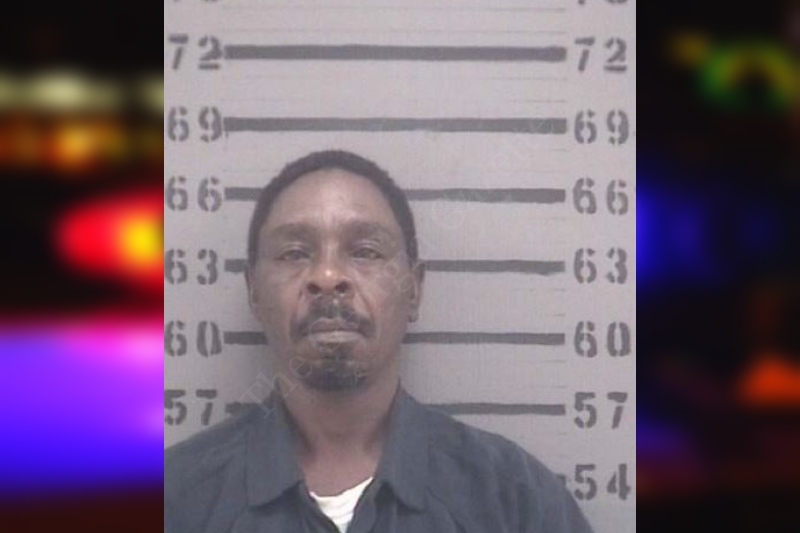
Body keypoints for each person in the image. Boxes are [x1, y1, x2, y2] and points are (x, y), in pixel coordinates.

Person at [164, 150, 594, 533]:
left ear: (414, 289)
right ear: (254, 292)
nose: (328, 277)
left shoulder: (512, 499)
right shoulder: (176, 499)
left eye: (365, 251)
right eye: (294, 253)